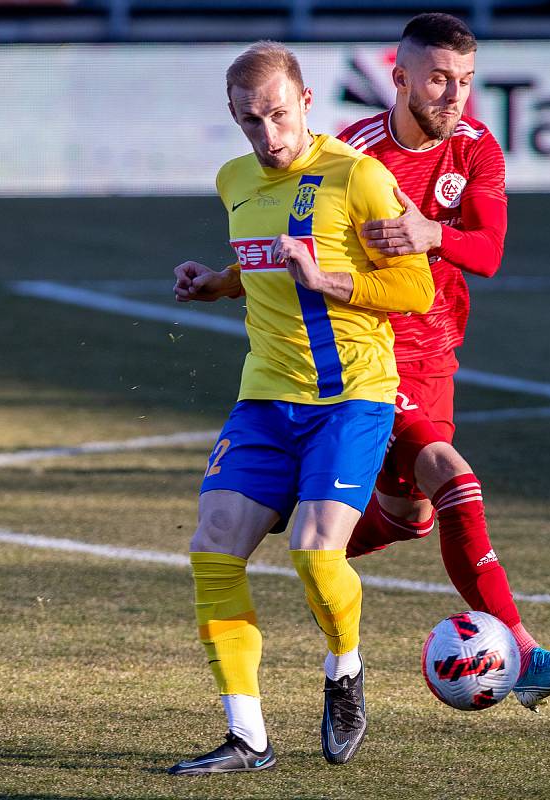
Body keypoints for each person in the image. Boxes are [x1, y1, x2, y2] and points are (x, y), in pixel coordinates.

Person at [167, 41, 434, 774]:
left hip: (352, 397)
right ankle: (247, 737)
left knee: (316, 554)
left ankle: (344, 669)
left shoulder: (361, 178)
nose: (268, 135)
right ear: (234, 119)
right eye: (250, 121)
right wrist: (215, 283)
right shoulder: (233, 181)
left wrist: (328, 281)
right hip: (265, 399)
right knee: (213, 546)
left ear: (307, 103)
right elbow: (259, 272)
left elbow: (417, 292)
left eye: (279, 115)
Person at [338, 13, 550, 713]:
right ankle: (524, 656)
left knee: (410, 515)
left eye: (464, 80)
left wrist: (432, 232)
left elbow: (487, 253)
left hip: (438, 355)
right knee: (455, 479)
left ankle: (316, 540)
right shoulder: (352, 159)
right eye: (437, 79)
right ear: (399, 78)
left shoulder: (477, 146)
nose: (452, 95)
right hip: (371, 357)